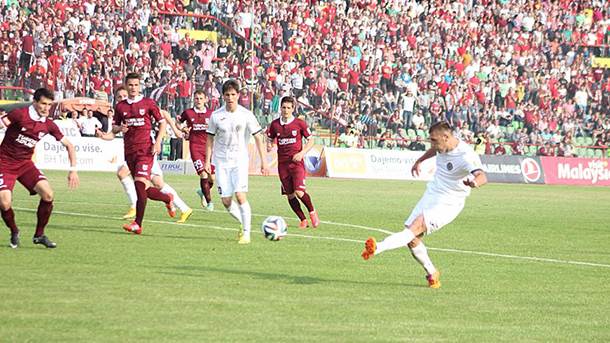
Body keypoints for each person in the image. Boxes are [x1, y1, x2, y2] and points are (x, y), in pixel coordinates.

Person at [361, 121, 487, 289]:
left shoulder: (466, 155)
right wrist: (419, 161)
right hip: (432, 193)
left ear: (446, 137)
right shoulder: (441, 146)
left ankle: (377, 248)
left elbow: (482, 176)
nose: (432, 144)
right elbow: (434, 150)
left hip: (449, 202)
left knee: (414, 227)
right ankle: (432, 273)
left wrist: (474, 183)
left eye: (434, 140)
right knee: (411, 239)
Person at [0, 88, 80, 248]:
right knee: (4, 203)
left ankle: (39, 235)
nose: (46, 108)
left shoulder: (49, 124)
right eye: (43, 104)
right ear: (35, 102)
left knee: (48, 194)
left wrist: (73, 170)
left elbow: (70, 146)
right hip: (4, 164)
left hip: (25, 165)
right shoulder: (19, 114)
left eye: (49, 105)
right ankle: (14, 231)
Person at [100, 86, 193, 224]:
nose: (121, 99)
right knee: (156, 184)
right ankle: (182, 207)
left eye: (123, 95)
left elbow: (164, 114)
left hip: (146, 149)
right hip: (133, 150)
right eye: (119, 97)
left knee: (124, 174)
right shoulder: (122, 109)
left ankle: (134, 207)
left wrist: (176, 129)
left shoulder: (143, 103)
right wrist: (102, 135)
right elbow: (113, 133)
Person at [204, 79, 269, 244]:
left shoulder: (246, 114)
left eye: (233, 94)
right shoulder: (216, 116)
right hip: (221, 162)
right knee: (226, 201)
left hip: (239, 160)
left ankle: (247, 233)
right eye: (227, 95)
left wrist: (264, 161)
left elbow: (258, 138)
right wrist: (207, 161)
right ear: (223, 96)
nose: (230, 98)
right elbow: (210, 139)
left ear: (238, 95)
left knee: (240, 196)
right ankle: (243, 222)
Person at [266, 96, 320, 229]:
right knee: (290, 194)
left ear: (293, 108)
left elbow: (311, 141)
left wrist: (302, 153)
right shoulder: (275, 124)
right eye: (283, 107)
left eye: (288, 108)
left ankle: (312, 212)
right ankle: (302, 219)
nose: (285, 110)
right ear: (280, 108)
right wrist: (270, 145)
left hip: (297, 164)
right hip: (282, 165)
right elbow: (269, 138)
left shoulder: (299, 123)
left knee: (299, 192)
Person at [177, 90, 215, 211]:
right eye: (196, 98)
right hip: (195, 147)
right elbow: (178, 122)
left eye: (201, 98)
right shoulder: (188, 113)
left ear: (205, 100)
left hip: (209, 147)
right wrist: (183, 129)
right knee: (203, 173)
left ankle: (203, 191)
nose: (198, 101)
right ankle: (210, 203)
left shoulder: (211, 114)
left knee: (212, 178)